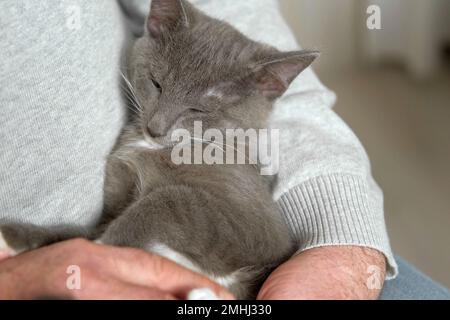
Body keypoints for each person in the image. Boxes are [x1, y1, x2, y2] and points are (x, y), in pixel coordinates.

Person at [0, 0, 448, 300]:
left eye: (196, 111)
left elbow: (260, 239)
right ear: (158, 23)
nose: (157, 122)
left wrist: (343, 245)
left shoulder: (226, 153)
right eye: (155, 86)